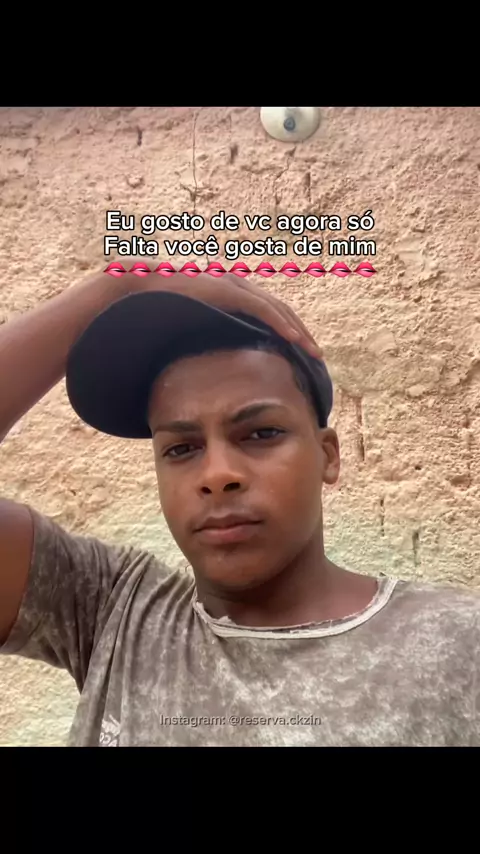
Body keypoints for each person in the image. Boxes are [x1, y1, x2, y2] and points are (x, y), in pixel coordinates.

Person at [0, 267, 479, 748]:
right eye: (181, 448)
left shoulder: (456, 643)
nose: (217, 474)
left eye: (261, 433)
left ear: (328, 456)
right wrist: (117, 286)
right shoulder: (112, 611)